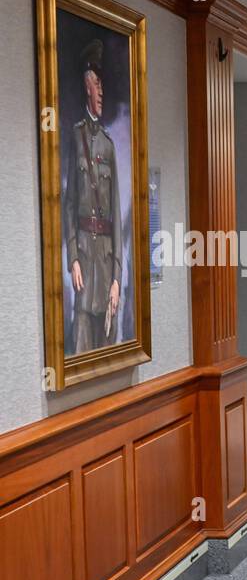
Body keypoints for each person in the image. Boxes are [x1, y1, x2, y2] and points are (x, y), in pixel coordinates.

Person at [64, 39, 122, 353]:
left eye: (102, 85)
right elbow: (70, 203)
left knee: (109, 346)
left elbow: (116, 223)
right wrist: (73, 257)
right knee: (82, 342)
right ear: (87, 84)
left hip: (106, 259)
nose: (101, 92)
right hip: (85, 260)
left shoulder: (109, 146)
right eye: (97, 85)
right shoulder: (75, 138)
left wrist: (117, 278)